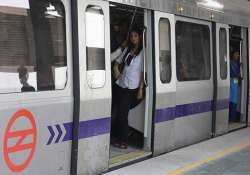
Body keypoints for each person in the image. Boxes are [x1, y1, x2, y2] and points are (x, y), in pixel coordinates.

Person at [111, 28, 144, 149]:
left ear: (140, 37)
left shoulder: (143, 52)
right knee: (116, 111)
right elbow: (117, 61)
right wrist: (116, 70)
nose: (133, 38)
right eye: (131, 36)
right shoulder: (128, 50)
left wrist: (140, 88)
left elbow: (142, 72)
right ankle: (117, 136)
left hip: (132, 87)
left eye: (135, 36)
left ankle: (123, 141)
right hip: (121, 83)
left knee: (122, 113)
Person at [229, 51, 241, 122]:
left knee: (233, 99)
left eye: (238, 54)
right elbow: (235, 74)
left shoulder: (236, 63)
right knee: (233, 100)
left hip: (234, 82)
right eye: (236, 54)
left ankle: (232, 117)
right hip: (233, 81)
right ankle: (232, 118)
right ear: (232, 55)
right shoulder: (232, 63)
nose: (238, 55)